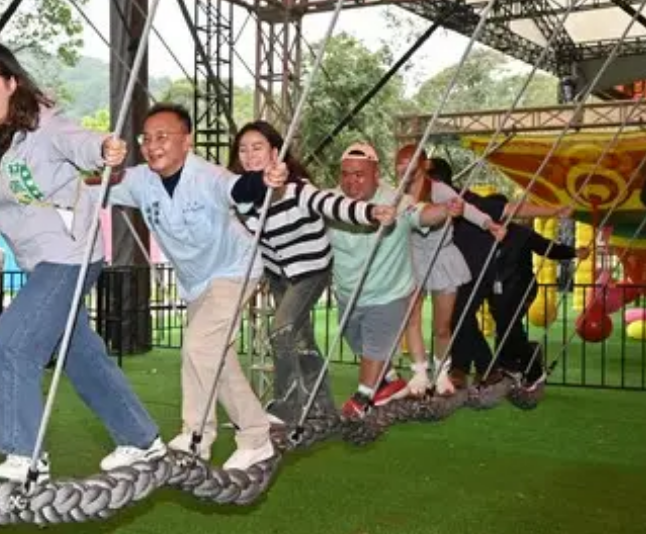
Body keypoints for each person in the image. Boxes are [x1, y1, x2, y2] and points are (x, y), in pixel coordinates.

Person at [0, 41, 165, 480]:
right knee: (80, 355)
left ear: (11, 84)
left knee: (12, 343)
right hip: (38, 261)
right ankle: (142, 439)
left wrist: (106, 148)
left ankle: (25, 454)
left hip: (71, 255)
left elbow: (85, 143)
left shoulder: (44, 126)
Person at [106, 103, 289, 471]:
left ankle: (196, 436)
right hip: (196, 282)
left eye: (163, 137)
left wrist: (266, 179)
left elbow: (241, 187)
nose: (153, 145)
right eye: (147, 138)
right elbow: (100, 188)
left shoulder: (207, 175)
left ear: (186, 141)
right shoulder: (141, 180)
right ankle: (256, 435)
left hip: (234, 270)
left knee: (198, 346)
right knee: (215, 360)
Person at [228, 122, 392, 427]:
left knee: (282, 330)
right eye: (243, 149)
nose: (249, 155)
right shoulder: (244, 198)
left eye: (257, 147)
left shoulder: (297, 188)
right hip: (279, 274)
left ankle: (287, 406)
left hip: (311, 270)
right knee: (300, 340)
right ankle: (322, 407)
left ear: (275, 153)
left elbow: (332, 205)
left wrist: (370, 213)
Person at [325, 143, 451, 418]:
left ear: (375, 173)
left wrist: (445, 210)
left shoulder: (397, 200)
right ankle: (391, 379)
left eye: (359, 174)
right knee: (357, 341)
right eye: (345, 174)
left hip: (389, 293)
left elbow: (423, 214)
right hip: (348, 293)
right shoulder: (331, 201)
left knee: (375, 346)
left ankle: (361, 399)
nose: (351, 181)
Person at [426, 159, 576, 387]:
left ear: (433, 180)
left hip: (499, 279)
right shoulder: (419, 203)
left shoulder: (461, 199)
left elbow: (511, 210)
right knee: (459, 319)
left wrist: (554, 211)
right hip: (471, 274)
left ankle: (499, 367)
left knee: (496, 324)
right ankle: (469, 367)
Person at [392, 143, 501, 397]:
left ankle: (442, 373)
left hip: (442, 258)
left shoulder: (438, 189)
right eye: (399, 165)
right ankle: (419, 374)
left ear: (424, 165)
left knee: (442, 325)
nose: (403, 170)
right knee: (412, 317)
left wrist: (488, 224)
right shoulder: (396, 194)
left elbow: (464, 207)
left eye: (409, 164)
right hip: (413, 257)